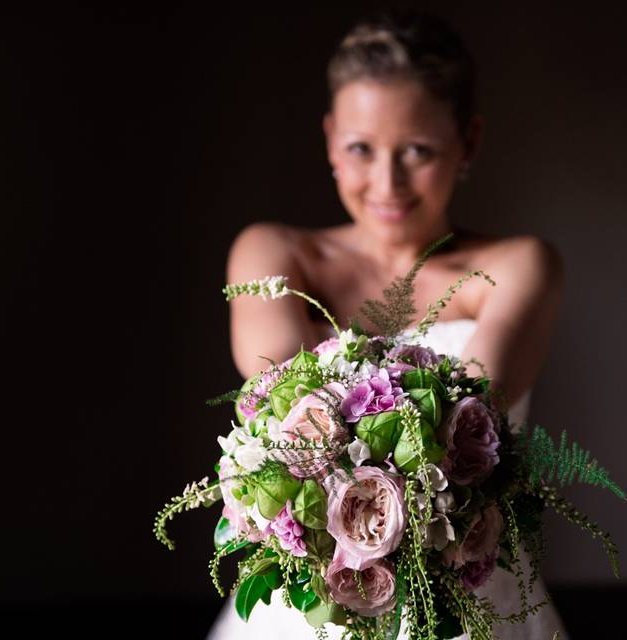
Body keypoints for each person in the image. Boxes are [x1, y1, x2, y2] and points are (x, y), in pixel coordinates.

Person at [208, 9, 569, 640]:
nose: (386, 181)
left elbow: (473, 407)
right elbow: (287, 398)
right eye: (360, 148)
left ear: (469, 143)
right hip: (308, 609)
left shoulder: (518, 266)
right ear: (328, 139)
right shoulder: (273, 254)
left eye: (418, 151)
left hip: (470, 606)